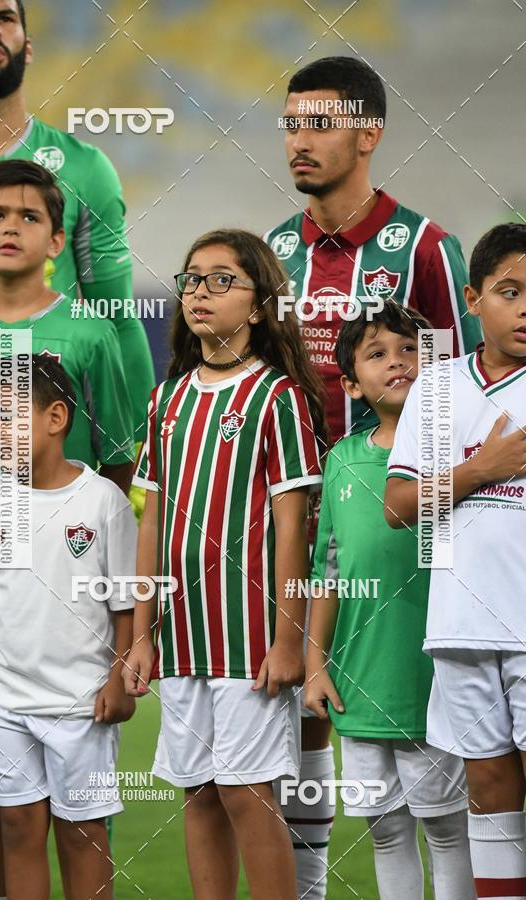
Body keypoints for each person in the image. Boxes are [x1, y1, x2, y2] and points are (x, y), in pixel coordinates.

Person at [264, 55, 482, 898]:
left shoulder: (424, 246)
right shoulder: (278, 250)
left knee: (415, 702)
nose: (299, 140)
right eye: (290, 123)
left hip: (398, 509)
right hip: (295, 502)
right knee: (303, 702)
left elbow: (462, 383)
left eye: (319, 122)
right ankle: (311, 888)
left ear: (369, 131)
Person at [0, 159, 135, 899]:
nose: (10, 226)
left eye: (30, 216)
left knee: (81, 817)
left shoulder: (90, 332)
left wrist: (124, 631)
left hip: (73, 603)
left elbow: (117, 464)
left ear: (56, 241)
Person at [124, 229, 326, 900]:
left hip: (250, 641)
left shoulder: (278, 398)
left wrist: (289, 638)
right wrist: (140, 633)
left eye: (220, 280)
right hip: (182, 639)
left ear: (262, 306)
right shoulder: (166, 401)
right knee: (200, 793)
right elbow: (151, 521)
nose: (199, 292)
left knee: (247, 793)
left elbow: (294, 526)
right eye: (191, 279)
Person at [0, 0, 155, 572]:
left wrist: (142, 452)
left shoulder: (84, 167)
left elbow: (119, 316)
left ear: (28, 45)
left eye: (5, 17)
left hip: (63, 437)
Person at [305, 300, 474, 899]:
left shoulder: (463, 452)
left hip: (436, 675)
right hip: (358, 679)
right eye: (377, 354)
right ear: (350, 383)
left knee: (448, 829)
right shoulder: (341, 462)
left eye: (410, 350)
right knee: (385, 830)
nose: (398, 363)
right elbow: (326, 571)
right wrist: (315, 665)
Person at [0, 353, 137, 900]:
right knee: (17, 829)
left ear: (56, 418)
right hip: (5, 699)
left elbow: (126, 601)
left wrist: (118, 677)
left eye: (6, 418)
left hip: (81, 704)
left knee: (84, 837)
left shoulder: (104, 500)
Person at [385, 223, 526, 900]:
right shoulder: (437, 388)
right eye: (510, 290)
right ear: (473, 298)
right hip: (461, 624)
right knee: (490, 788)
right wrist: (482, 468)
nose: (525, 307)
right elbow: (400, 503)